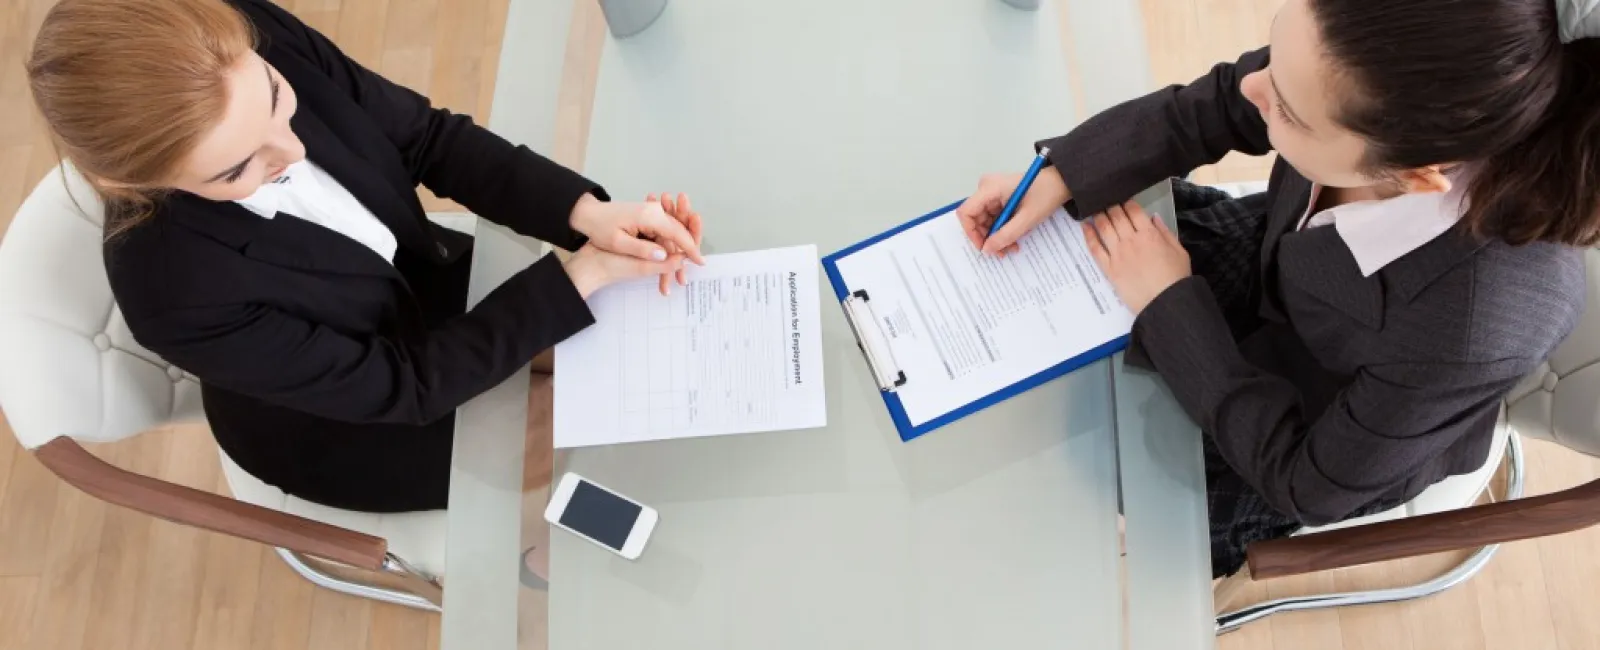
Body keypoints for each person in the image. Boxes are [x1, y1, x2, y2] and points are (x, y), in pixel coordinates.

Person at [960, 0, 1600, 578]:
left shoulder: (1477, 322)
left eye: (1286, 107)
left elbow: (1309, 483)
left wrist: (1169, 305)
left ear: (1414, 176)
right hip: (1279, 268)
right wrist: (1067, 171)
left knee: (1047, 516)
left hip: (1310, 420)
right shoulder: (1372, 64)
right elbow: (1215, 104)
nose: (1252, 86)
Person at [25, 0, 703, 513]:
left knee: (640, 351)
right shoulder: (174, 293)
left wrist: (589, 218)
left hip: (420, 280)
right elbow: (403, 388)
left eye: (276, 100)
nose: (293, 154)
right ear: (132, 182)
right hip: (360, 422)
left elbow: (427, 139)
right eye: (238, 169)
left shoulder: (250, 33)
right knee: (602, 451)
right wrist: (579, 271)